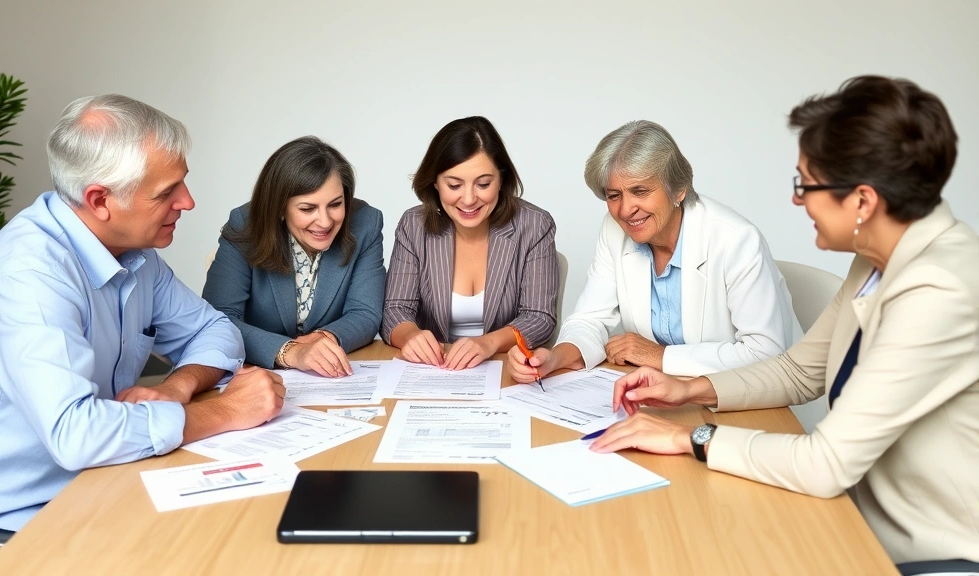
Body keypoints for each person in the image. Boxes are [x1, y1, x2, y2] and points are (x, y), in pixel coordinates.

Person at [590, 76, 979, 572]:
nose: (797, 201)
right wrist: (686, 390)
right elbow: (798, 372)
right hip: (857, 521)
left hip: (931, 555)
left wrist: (688, 438)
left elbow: (826, 463)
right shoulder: (879, 257)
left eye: (806, 185)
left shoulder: (939, 288)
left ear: (862, 201)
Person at [0, 95, 285, 575]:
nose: (187, 202)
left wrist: (178, 386)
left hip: (99, 487)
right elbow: (76, 435)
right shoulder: (28, 273)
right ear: (99, 200)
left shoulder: (135, 254)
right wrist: (225, 411)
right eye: (166, 192)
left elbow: (214, 329)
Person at [509, 120, 799, 384]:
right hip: (663, 394)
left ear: (679, 189)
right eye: (613, 195)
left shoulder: (736, 239)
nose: (625, 210)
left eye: (640, 191)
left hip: (744, 400)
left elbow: (766, 352)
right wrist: (555, 358)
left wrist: (659, 356)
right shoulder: (613, 230)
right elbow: (590, 319)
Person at [382, 116, 559, 370]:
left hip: (503, 370)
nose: (468, 199)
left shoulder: (535, 226)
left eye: (483, 184)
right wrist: (410, 335)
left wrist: (488, 343)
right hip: (434, 371)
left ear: (501, 180)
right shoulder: (414, 226)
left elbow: (539, 317)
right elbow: (395, 309)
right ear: (435, 183)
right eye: (454, 185)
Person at [203, 137, 385, 377]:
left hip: (329, 377)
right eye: (307, 209)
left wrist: (322, 340)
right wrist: (291, 352)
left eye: (335, 204)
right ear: (279, 207)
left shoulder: (365, 223)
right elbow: (219, 318)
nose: (325, 221)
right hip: (254, 374)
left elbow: (366, 312)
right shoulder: (244, 225)